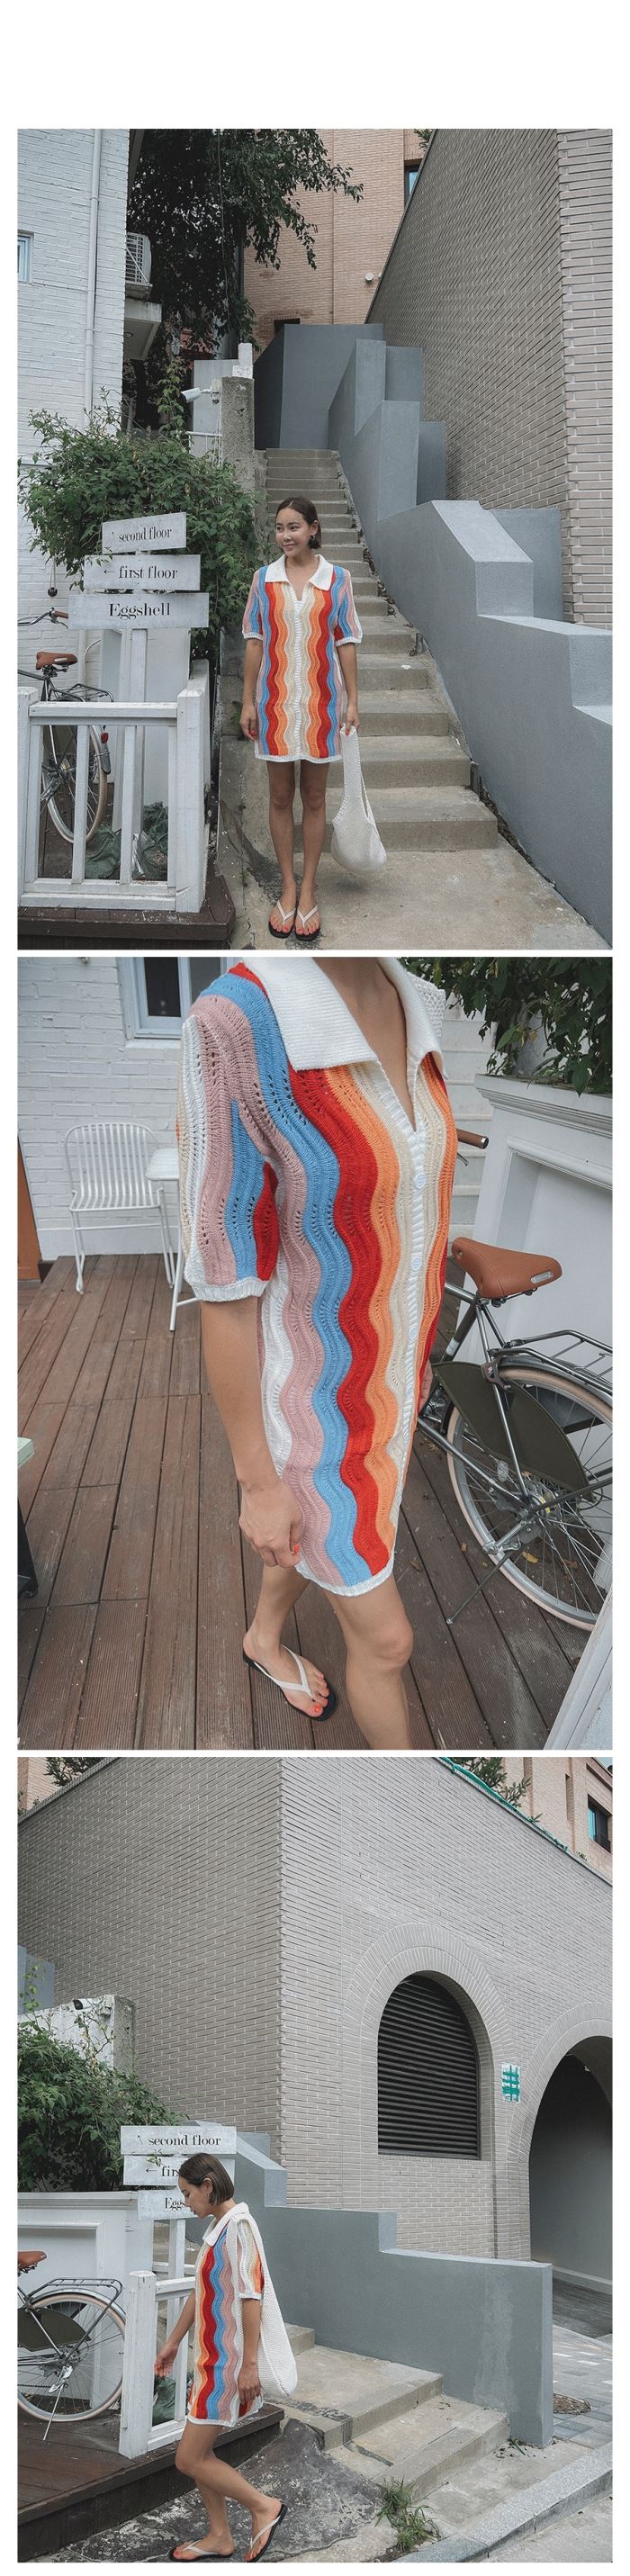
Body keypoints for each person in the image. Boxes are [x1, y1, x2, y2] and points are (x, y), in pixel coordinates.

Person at [177, 956, 457, 1751]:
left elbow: (406, 1194)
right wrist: (260, 1483)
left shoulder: (415, 1000)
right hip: (311, 1412)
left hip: (392, 1387)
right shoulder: (235, 1026)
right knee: (387, 1642)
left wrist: (415, 1349)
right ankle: (409, 1810)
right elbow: (224, 1286)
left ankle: (262, 1638)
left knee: (311, 1539)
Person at [239, 494, 362, 945]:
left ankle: (309, 888)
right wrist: (247, 701)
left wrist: (353, 700)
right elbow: (255, 641)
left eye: (293, 527)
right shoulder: (263, 579)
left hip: (321, 704)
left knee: (313, 796)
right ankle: (287, 888)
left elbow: (345, 641)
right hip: (274, 703)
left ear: (313, 528)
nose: (285, 536)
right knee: (278, 797)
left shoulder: (338, 580)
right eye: (279, 528)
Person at [155, 2155, 289, 2565]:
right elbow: (201, 2291)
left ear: (208, 2186)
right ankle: (219, 2536)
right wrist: (173, 2342)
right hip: (209, 2360)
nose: (186, 2202)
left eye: (187, 2193)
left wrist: (249, 2365)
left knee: (188, 2458)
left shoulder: (239, 2228)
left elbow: (252, 2296)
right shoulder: (218, 2229)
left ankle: (264, 2506)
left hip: (227, 2365)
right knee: (200, 2456)